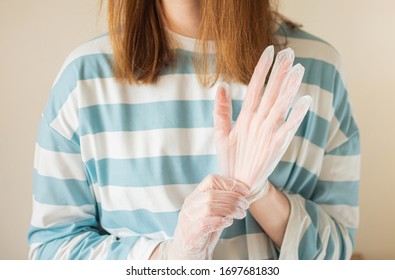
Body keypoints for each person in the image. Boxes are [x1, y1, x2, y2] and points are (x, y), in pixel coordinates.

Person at [28, 0, 360, 260]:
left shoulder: (317, 69)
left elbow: (337, 250)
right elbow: (51, 249)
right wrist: (170, 258)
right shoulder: (84, 79)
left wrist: (259, 194)